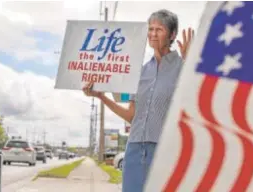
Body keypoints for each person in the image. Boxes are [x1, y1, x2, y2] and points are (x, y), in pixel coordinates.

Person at [83, 9, 194, 192]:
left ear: (172, 34)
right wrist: (100, 96)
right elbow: (131, 116)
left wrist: (190, 62)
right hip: (134, 151)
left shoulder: (182, 68)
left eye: (159, 29)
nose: (153, 34)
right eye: (150, 29)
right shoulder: (140, 72)